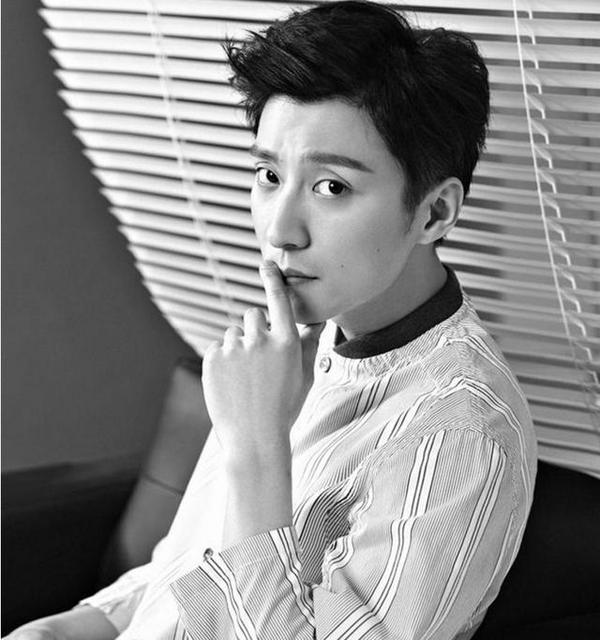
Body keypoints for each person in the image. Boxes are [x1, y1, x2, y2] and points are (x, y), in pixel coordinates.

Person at [6, 2, 537, 639]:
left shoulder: (459, 434)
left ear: (434, 213)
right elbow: (186, 570)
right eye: (268, 175)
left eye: (331, 187)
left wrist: (257, 446)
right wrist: (73, 625)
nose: (280, 231)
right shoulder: (289, 350)